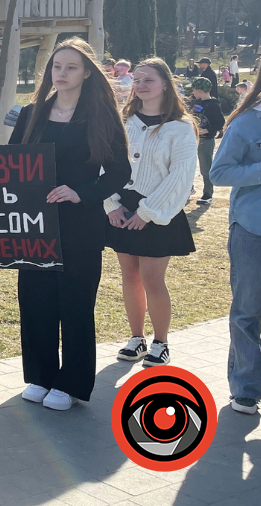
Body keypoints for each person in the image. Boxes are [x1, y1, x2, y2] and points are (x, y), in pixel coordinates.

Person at [8, 37, 131, 411]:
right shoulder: (32, 115)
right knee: (35, 302)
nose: (61, 73)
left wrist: (80, 192)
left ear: (87, 73)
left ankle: (71, 383)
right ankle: (41, 376)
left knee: (76, 305)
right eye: (56, 67)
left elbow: (119, 172)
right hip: (34, 225)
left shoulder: (101, 117)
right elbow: (10, 164)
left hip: (80, 227)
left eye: (71, 67)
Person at [106, 59, 198, 368]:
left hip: (159, 210)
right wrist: (111, 204)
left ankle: (161, 342)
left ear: (165, 85)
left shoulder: (181, 126)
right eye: (138, 79)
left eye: (149, 80)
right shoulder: (124, 119)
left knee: (152, 278)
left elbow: (181, 176)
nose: (142, 84)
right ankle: (136, 338)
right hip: (123, 206)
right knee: (129, 275)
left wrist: (147, 212)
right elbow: (107, 161)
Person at [210, 80, 261, 415]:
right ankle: (245, 388)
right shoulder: (245, 123)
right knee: (247, 310)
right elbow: (218, 173)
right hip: (251, 229)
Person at [189, 77, 224, 205]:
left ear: (199, 90)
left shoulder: (213, 104)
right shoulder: (198, 102)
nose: (192, 92)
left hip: (206, 141)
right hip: (193, 139)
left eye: (193, 90)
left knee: (205, 167)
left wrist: (208, 130)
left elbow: (220, 123)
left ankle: (208, 193)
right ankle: (188, 189)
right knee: (188, 165)